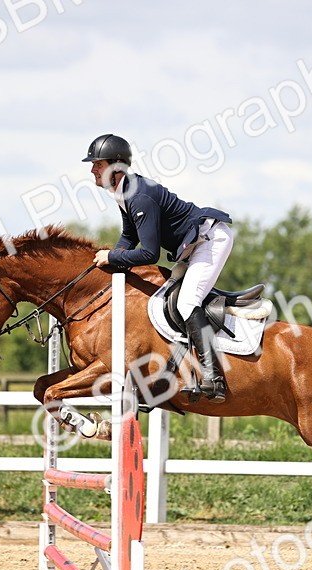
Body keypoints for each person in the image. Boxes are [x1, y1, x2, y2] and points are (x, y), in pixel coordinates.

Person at [83, 133, 234, 403]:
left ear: (116, 167)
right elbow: (129, 238)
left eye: (98, 163)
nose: (93, 169)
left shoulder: (139, 197)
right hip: (192, 245)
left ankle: (214, 378)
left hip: (209, 240)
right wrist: (108, 266)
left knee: (187, 303)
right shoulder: (124, 192)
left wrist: (113, 258)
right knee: (171, 300)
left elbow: (149, 253)